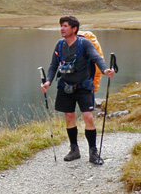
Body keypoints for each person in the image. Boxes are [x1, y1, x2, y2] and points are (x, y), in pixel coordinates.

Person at [40, 16, 115, 164]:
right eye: (61, 26)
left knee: (88, 117)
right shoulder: (60, 44)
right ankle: (74, 150)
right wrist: (48, 81)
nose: (62, 28)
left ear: (74, 29)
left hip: (84, 87)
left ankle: (93, 151)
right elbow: (53, 65)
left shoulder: (85, 43)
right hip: (65, 87)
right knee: (69, 116)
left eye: (65, 26)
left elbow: (96, 58)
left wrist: (105, 70)